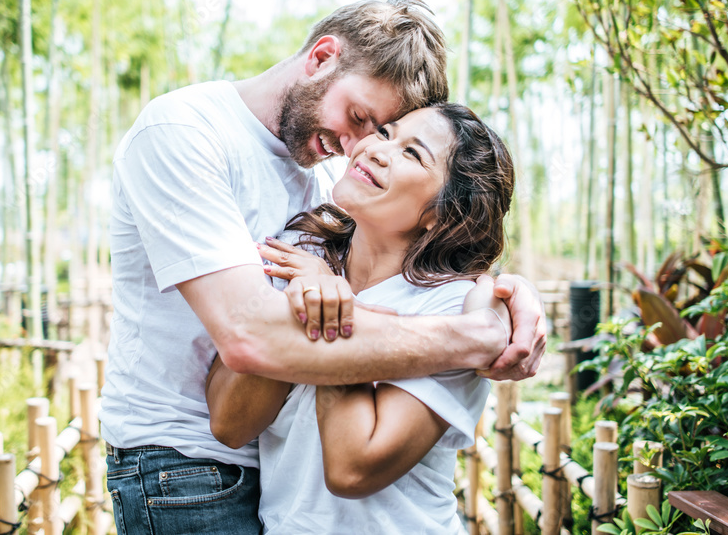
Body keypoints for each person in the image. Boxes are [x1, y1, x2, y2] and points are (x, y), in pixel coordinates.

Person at [100, 0, 546, 535]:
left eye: (401, 143)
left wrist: (501, 294)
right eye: (368, 124)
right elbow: (246, 344)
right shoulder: (185, 132)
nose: (358, 148)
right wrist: (473, 337)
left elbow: (351, 462)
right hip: (181, 461)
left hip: (256, 481)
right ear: (321, 57)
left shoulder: (318, 196)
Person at [207, 103, 514, 534]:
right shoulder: (300, 253)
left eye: (413, 153)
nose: (376, 149)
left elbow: (353, 468)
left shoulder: (456, 307)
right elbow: (230, 423)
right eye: (386, 133)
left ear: (440, 215)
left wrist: (335, 304)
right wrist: (318, 291)